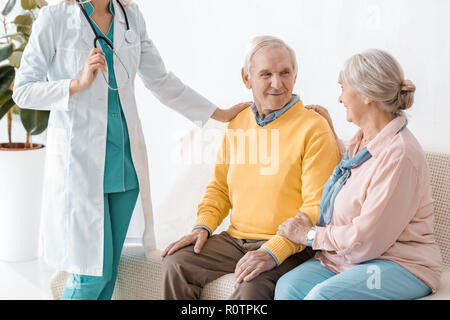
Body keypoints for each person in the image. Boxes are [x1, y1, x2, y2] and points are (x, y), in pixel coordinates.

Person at [12, 0, 248, 300]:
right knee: (90, 277)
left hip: (125, 165)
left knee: (109, 275)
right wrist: (76, 83)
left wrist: (218, 113)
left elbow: (161, 80)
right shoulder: (55, 18)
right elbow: (23, 90)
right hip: (81, 167)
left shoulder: (130, 16)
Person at [160, 35, 340, 300]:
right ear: (247, 78)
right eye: (266, 74)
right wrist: (202, 227)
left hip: (292, 245)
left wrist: (273, 250)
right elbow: (220, 188)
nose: (277, 84)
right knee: (176, 263)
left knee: (252, 287)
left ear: (295, 75)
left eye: (285, 73)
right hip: (235, 240)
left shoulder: (313, 126)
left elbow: (317, 207)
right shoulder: (239, 121)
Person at [274, 49, 442, 300]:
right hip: (347, 260)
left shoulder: (400, 155)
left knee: (322, 297)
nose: (339, 99)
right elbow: (355, 176)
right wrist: (331, 134)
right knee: (287, 287)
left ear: (366, 95)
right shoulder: (361, 141)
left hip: (398, 264)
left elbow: (367, 241)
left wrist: (309, 235)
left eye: (343, 88)